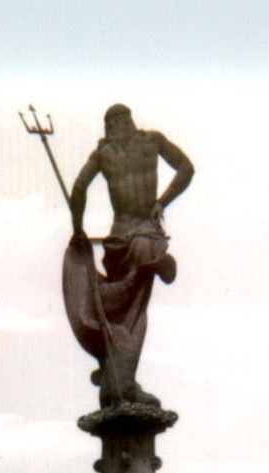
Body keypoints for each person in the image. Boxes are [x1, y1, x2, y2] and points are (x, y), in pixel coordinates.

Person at [63, 104, 194, 409]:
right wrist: (162, 202)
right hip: (145, 237)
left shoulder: (104, 153)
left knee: (126, 313)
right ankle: (121, 381)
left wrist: (78, 229)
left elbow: (78, 188)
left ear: (110, 126)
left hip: (119, 240)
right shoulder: (151, 141)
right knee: (133, 314)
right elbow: (187, 167)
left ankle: (117, 378)